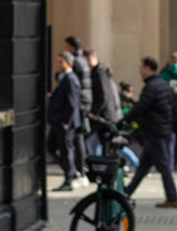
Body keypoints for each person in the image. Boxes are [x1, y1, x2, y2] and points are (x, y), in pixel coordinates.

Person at [125, 57, 177, 208]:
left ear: (147, 68)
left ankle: (172, 197)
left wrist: (125, 120)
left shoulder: (152, 86)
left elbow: (141, 107)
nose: (140, 71)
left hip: (156, 131)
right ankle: (126, 193)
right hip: (160, 129)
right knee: (143, 167)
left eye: (141, 67)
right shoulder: (162, 84)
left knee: (163, 166)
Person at [46, 52, 82, 190]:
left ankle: (70, 177)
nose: (58, 65)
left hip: (64, 123)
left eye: (61, 62)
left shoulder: (71, 79)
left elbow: (72, 103)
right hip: (58, 121)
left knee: (66, 150)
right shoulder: (64, 78)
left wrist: (67, 121)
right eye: (57, 62)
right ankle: (70, 172)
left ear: (69, 63)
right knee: (51, 148)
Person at [64, 37, 94, 177]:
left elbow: (74, 85)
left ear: (71, 47)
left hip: (80, 103)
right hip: (86, 101)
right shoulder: (83, 60)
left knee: (78, 137)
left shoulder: (75, 62)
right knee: (82, 137)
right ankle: (84, 167)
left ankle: (81, 169)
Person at [88, 50, 124, 125]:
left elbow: (105, 96)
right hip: (112, 115)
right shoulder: (109, 81)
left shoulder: (100, 75)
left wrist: (95, 112)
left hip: (106, 117)